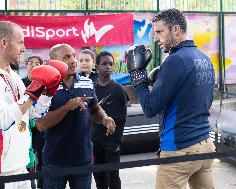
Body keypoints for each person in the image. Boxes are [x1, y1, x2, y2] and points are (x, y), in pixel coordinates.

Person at [0, 21, 64, 189]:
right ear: (4, 42)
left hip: (19, 168)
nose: (24, 48)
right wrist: (34, 91)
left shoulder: (14, 76)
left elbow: (30, 113)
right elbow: (1, 119)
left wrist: (47, 93)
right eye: (20, 42)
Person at [126, 8, 216, 189]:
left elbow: (151, 108)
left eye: (159, 32)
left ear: (175, 29)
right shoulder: (204, 58)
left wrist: (138, 79)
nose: (156, 38)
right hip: (205, 144)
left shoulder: (175, 61)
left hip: (180, 149)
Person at [35, 44, 116, 189]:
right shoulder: (45, 86)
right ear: (53, 62)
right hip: (55, 160)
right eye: (66, 57)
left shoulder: (86, 82)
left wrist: (104, 119)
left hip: (83, 159)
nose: (73, 60)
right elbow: (41, 125)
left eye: (73, 55)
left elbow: (94, 109)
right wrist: (67, 107)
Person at [91, 51, 128, 189]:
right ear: (97, 66)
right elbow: (89, 115)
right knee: (99, 177)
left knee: (112, 175)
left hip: (112, 142)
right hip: (95, 140)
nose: (108, 67)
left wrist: (116, 140)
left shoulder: (118, 89)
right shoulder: (92, 88)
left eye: (111, 64)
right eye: (104, 64)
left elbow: (122, 118)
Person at [22, 55, 45, 189]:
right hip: (24, 127)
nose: (33, 65)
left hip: (41, 127)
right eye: (31, 63)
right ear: (26, 66)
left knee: (41, 159)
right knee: (27, 159)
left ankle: (41, 185)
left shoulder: (45, 84)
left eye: (37, 63)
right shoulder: (20, 83)